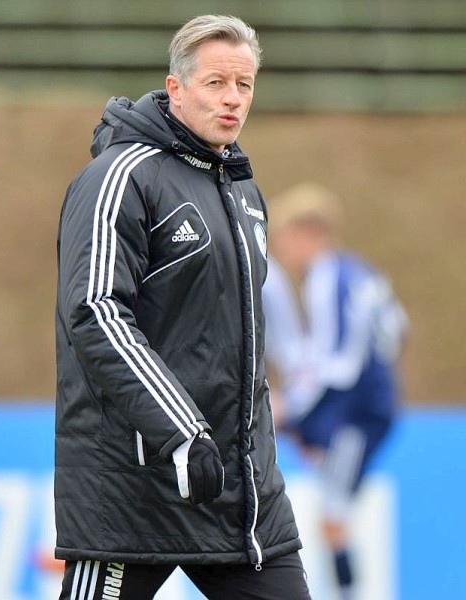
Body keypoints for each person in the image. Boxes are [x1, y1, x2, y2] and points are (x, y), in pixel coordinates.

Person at [54, 14, 310, 600]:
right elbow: (95, 310)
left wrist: (255, 463)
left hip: (241, 499)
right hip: (133, 488)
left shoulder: (244, 190)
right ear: (175, 88)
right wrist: (182, 432)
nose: (233, 100)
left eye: (244, 85)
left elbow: (242, 342)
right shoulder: (118, 177)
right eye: (216, 82)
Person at [262, 182, 407, 600]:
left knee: (333, 520)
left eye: (287, 238)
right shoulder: (360, 272)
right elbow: (398, 331)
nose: (284, 250)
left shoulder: (328, 277)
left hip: (353, 415)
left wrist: (300, 416)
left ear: (309, 233)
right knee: (334, 517)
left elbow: (338, 365)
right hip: (366, 407)